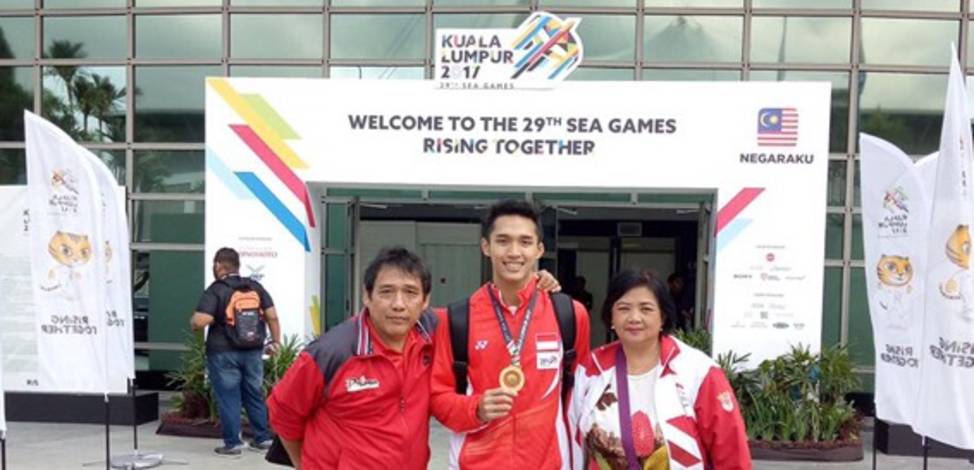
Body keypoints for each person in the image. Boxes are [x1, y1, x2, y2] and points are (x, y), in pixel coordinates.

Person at [431, 200, 591, 469]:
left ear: (539, 249)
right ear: (486, 246)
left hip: (550, 463)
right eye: (503, 241)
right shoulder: (459, 318)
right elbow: (438, 397)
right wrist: (476, 409)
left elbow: (582, 395)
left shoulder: (570, 315)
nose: (514, 252)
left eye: (525, 242)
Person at [267, 247, 435, 469]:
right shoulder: (330, 353)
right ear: (367, 295)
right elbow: (283, 413)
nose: (398, 304)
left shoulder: (430, 336)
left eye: (411, 293)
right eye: (386, 292)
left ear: (425, 301)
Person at [569, 269, 751, 469]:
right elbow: (573, 443)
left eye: (646, 309)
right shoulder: (591, 369)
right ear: (611, 317)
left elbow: (730, 450)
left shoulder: (697, 371)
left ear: (663, 317)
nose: (634, 318)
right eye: (623, 308)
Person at [190, 247, 280, 456]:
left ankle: (234, 443)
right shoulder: (255, 287)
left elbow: (202, 320)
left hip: (223, 353)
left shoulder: (216, 289)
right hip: (253, 350)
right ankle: (263, 438)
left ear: (219, 266)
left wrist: (195, 321)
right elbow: (272, 316)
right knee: (254, 394)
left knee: (229, 397)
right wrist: (275, 342)